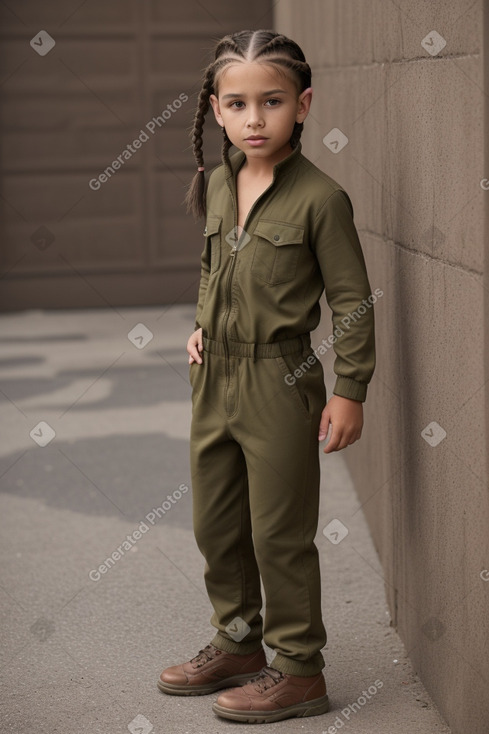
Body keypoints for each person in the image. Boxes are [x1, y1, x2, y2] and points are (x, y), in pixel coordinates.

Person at [157, 29, 376, 724]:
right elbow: (213, 267)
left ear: (302, 105)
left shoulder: (321, 198)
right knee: (216, 525)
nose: (255, 118)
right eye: (238, 103)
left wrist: (349, 388)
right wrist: (201, 323)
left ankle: (299, 671)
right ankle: (238, 643)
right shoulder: (220, 183)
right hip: (213, 376)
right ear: (215, 110)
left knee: (277, 533)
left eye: (272, 101)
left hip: (279, 379)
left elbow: (350, 301)